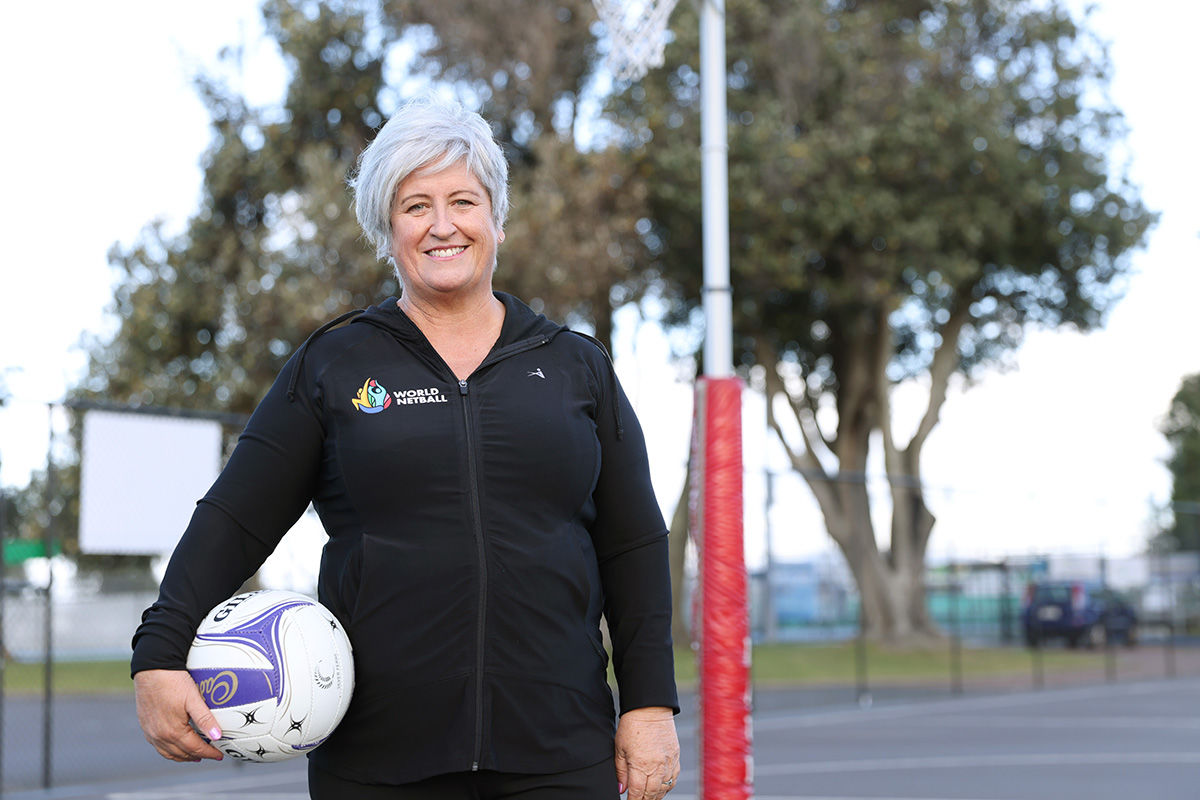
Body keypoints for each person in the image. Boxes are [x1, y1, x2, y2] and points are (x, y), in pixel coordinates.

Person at [131, 95, 681, 800]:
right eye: (416, 206)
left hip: (561, 755)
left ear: (497, 220)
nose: (443, 225)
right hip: (378, 765)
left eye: (463, 200)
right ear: (386, 229)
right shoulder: (333, 364)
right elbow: (235, 519)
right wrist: (158, 654)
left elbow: (634, 543)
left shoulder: (576, 366)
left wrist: (648, 704)